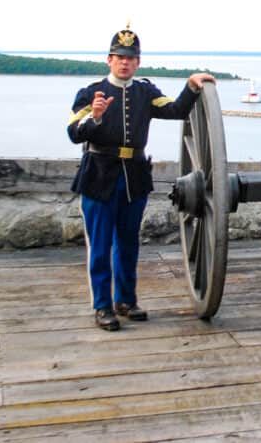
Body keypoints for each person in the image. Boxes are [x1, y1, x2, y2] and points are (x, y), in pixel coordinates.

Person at [67, 24, 216, 330]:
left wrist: (191, 85)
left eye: (131, 58)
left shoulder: (145, 92)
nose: (125, 62)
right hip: (99, 175)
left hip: (133, 176)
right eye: (119, 57)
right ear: (109, 60)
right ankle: (102, 306)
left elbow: (175, 110)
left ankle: (125, 300)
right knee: (100, 246)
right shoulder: (89, 94)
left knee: (128, 243)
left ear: (138, 62)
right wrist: (95, 117)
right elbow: (74, 133)